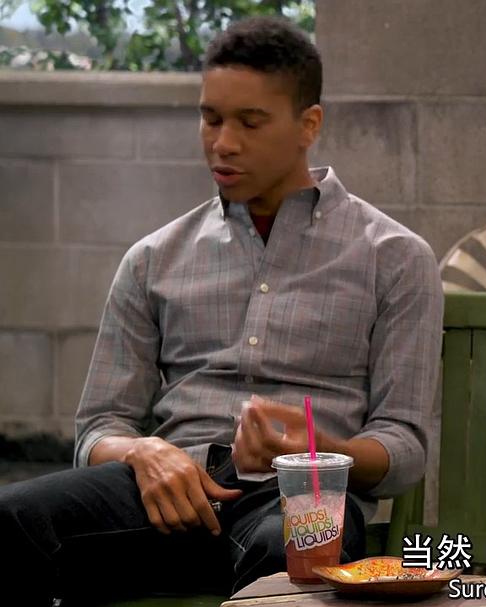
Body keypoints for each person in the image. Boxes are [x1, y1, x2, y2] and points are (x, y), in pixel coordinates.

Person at [0, 16, 442, 605]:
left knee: (289, 552)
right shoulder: (153, 259)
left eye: (250, 123)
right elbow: (99, 427)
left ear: (309, 124)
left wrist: (313, 450)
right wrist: (143, 451)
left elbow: (404, 448)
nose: (223, 143)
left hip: (301, 500)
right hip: (168, 492)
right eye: (210, 119)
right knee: (12, 520)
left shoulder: (395, 258)